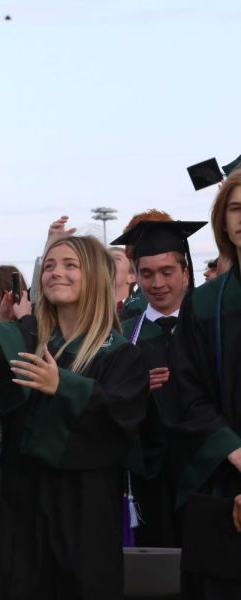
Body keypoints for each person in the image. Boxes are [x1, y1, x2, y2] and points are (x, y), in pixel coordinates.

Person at [0, 233, 148, 600]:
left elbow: (120, 418)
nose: (56, 273)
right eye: (49, 266)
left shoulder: (119, 354)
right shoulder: (31, 337)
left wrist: (64, 386)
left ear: (92, 276)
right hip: (20, 502)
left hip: (83, 504)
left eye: (69, 265)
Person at [165, 169, 241, 599]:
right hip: (222, 477)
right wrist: (233, 450)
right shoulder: (205, 303)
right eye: (235, 208)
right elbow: (185, 391)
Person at [111, 219, 205, 547]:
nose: (157, 283)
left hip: (204, 470)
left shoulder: (209, 327)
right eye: (147, 273)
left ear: (186, 273)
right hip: (145, 475)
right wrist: (132, 390)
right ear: (135, 275)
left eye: (167, 272)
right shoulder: (121, 335)